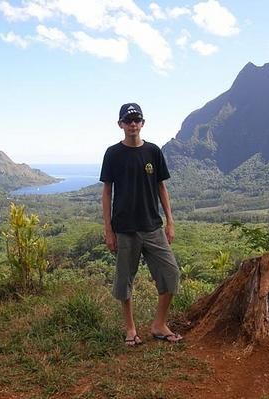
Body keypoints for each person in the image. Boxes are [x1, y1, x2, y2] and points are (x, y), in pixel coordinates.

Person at [100, 102, 182, 347]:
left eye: (136, 120)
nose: (132, 124)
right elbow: (107, 192)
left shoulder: (153, 152)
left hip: (152, 226)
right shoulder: (113, 154)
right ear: (120, 125)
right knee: (125, 280)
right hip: (125, 228)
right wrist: (108, 230)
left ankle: (159, 324)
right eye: (128, 120)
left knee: (170, 273)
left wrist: (170, 221)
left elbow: (161, 187)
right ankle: (131, 329)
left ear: (143, 123)